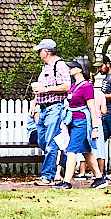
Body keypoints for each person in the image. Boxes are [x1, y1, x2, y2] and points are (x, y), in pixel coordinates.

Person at [53, 57, 108, 189]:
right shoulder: (73, 86)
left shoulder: (87, 86)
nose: (69, 69)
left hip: (81, 123)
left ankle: (66, 182)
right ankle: (100, 179)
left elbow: (92, 109)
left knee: (71, 150)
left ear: (80, 69)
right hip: (73, 122)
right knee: (86, 151)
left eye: (72, 67)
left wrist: (94, 128)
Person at [30, 39, 71, 186]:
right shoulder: (45, 68)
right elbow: (40, 88)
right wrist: (34, 102)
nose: (39, 53)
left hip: (54, 108)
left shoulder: (60, 65)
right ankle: (64, 163)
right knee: (42, 140)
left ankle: (48, 176)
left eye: (40, 51)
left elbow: (67, 86)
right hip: (42, 108)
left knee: (51, 142)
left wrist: (46, 89)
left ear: (46, 52)